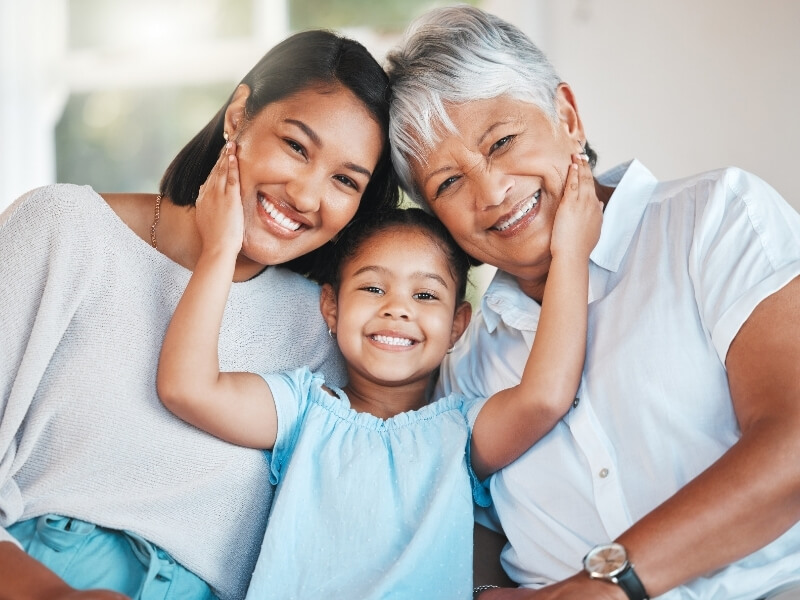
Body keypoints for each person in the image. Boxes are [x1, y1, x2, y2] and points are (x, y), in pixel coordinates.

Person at [385, 5, 800, 600]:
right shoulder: (462, 363)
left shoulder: (715, 218)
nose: (492, 191)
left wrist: (604, 586)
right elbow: (461, 523)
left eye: (502, 142)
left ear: (567, 117)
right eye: (448, 183)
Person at [0, 29, 399, 600]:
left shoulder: (325, 328)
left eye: (345, 180)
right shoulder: (64, 231)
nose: (308, 196)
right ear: (239, 114)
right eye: (296, 146)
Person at [155, 138, 601, 598]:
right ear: (331, 308)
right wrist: (219, 251)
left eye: (425, 295)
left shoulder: (461, 432)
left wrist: (571, 254)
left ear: (456, 326)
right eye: (372, 288)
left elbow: (547, 395)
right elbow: (187, 389)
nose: (397, 309)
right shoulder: (303, 410)